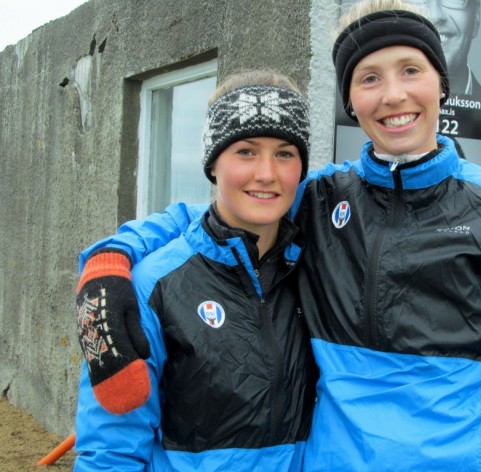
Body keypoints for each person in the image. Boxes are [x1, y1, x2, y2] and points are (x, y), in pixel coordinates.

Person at [75, 1, 481, 470]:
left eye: (410, 70)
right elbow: (221, 215)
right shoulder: (320, 200)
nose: (393, 95)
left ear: (441, 82)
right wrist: (110, 259)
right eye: (369, 78)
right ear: (350, 100)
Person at [73, 70, 317, 471]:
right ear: (213, 163)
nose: (267, 173)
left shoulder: (316, 267)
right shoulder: (153, 286)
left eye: (285, 153)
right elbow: (111, 451)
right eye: (246, 151)